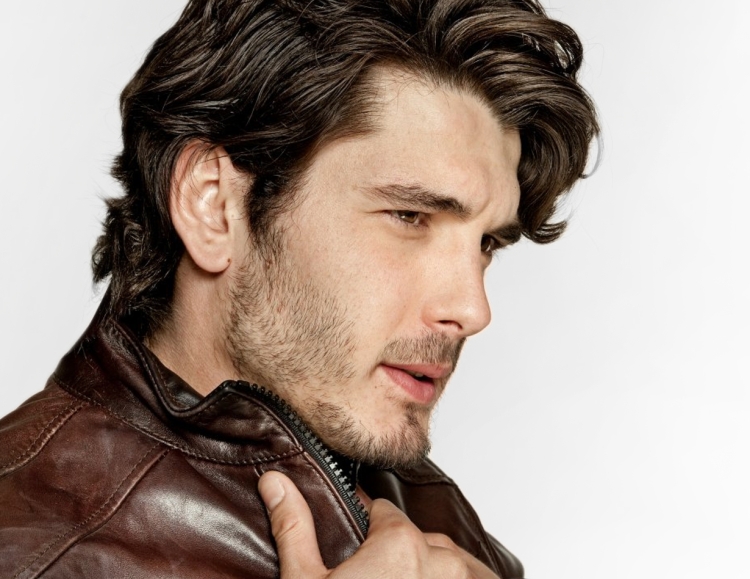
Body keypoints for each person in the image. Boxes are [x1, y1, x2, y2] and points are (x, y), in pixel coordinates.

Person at [0, 0, 598, 577]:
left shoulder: (432, 520)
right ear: (214, 205)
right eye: (410, 217)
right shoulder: (37, 555)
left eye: (487, 242)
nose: (472, 309)